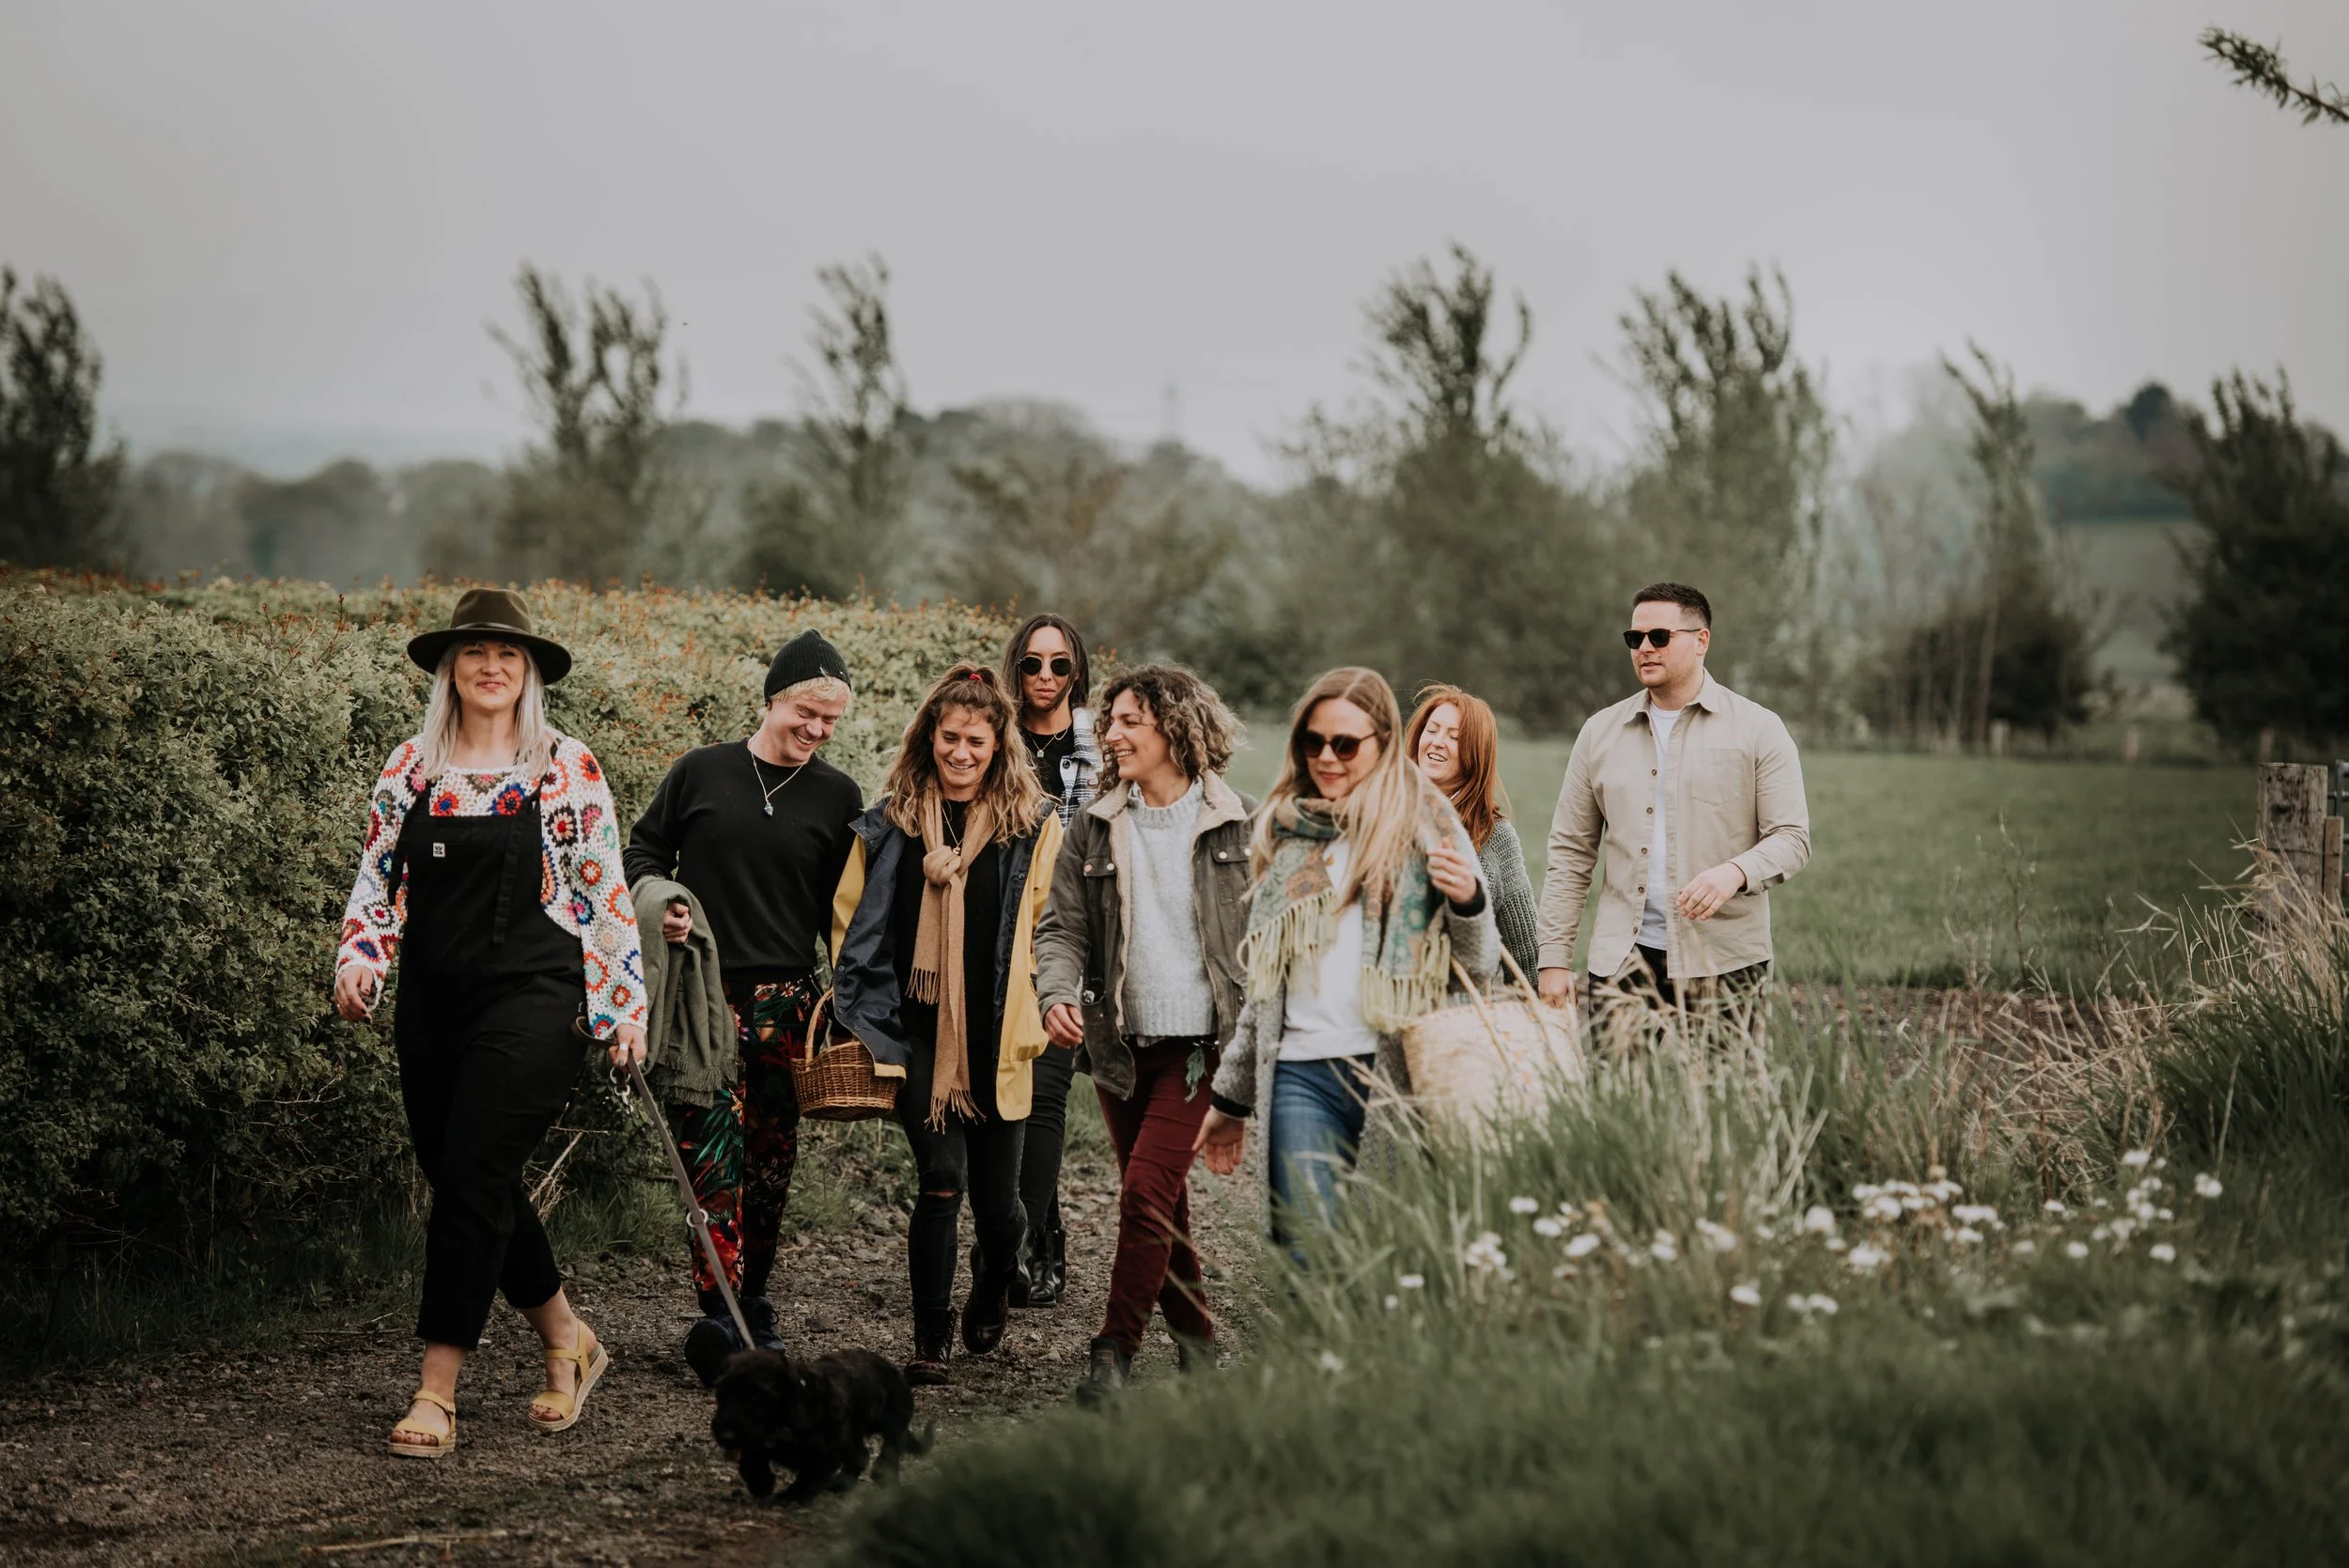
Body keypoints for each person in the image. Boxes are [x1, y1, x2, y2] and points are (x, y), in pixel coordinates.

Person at [332, 588, 647, 1460]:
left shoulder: (564, 767)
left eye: (509, 653)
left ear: (530, 671)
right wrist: (360, 957)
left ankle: (437, 1390)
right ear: (450, 668)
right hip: (434, 997)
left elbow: (604, 893)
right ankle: (568, 1336)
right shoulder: (410, 769)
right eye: (473, 650)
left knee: (472, 1169)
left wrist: (622, 1007)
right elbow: (378, 884)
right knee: (467, 1170)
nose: (491, 664)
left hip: (537, 995)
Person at [623, 630, 863, 1385]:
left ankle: (752, 1298)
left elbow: (847, 909)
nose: (817, 729)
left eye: (830, 719)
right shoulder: (700, 771)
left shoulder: (838, 795)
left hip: (788, 1003)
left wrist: (853, 1002)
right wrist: (662, 905)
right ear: (772, 698)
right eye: (806, 711)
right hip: (705, 996)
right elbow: (641, 854)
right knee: (709, 1162)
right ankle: (719, 1312)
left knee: (769, 1163)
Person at [1194, 667, 1497, 1250]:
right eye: (1313, 742)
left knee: (1388, 1253)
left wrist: (1468, 901)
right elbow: (1266, 989)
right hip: (1300, 1074)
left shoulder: (1429, 826)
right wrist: (1230, 1098)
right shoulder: (1285, 832)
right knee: (1310, 1256)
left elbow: (1478, 965)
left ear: (1383, 743)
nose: (1327, 758)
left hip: (1393, 1074)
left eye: (1345, 744)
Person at [830, 662, 1065, 1384]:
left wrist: (1050, 998)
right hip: (918, 1035)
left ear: (999, 747)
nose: (961, 753)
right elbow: (850, 923)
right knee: (940, 1177)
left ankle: (996, 1275)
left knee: (1001, 1210)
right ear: (929, 736)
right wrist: (869, 1019)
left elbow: (1049, 926)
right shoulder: (891, 823)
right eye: (950, 738)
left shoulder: (1033, 829)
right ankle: (928, 1339)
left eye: (977, 741)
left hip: (997, 1038)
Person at [1034, 664, 1252, 1403]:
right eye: (1111, 722)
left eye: (1128, 721)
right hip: (1121, 1049)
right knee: (1161, 1201)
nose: (1111, 734)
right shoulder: (1093, 825)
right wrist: (1056, 990)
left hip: (1199, 1052)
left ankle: (1113, 1352)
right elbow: (1061, 927)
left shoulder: (1239, 823)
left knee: (1145, 1192)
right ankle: (1198, 1348)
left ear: (1175, 729)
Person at [1533, 582, 1812, 1030]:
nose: (1644, 648)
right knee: (1620, 1100)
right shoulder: (1598, 733)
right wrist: (1553, 958)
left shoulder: (1760, 729)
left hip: (1726, 960)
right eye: (1634, 638)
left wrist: (1734, 873)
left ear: (1701, 641)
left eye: (1659, 637)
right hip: (1621, 962)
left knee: (1724, 1099)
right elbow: (1570, 853)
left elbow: (1793, 838)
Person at [996, 613, 1101, 1307]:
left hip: (1072, 936)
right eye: (1032, 664)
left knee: (1047, 1096)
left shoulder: (1102, 745)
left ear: (1076, 671)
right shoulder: (994, 738)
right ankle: (1035, 1223)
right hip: (998, 935)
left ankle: (1026, 1246)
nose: (1044, 678)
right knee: (1003, 1099)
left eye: (1058, 665)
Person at [1407, 685, 1538, 980]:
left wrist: (1541, 1010)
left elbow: (1526, 953)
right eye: (1432, 730)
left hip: (1458, 1015)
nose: (1438, 742)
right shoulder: (1381, 810)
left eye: (1455, 737)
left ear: (1475, 754)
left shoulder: (1495, 836)